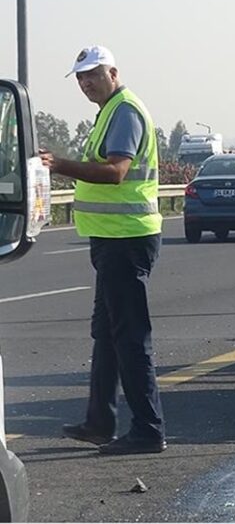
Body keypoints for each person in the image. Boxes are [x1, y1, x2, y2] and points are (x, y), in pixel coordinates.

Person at [39, 46, 167, 454]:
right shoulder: (110, 111)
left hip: (126, 239)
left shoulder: (125, 110)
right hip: (112, 239)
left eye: (92, 74)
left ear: (113, 72)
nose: (85, 82)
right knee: (106, 335)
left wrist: (60, 165)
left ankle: (148, 431)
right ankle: (99, 422)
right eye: (79, 77)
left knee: (130, 337)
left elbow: (116, 172)